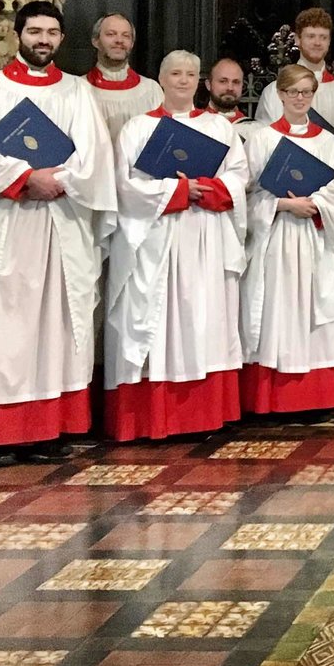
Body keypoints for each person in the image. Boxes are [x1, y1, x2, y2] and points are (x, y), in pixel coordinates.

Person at [0, 0, 115, 463]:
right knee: (0, 323)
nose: (43, 40)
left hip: (60, 222)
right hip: (4, 225)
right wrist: (23, 178)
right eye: (35, 31)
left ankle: (47, 430)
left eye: (52, 32)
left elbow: (93, 157)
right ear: (18, 34)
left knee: (55, 322)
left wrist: (58, 181)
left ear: (61, 39)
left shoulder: (77, 92)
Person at [105, 50, 247, 441]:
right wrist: (179, 189)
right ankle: (155, 417)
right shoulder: (137, 128)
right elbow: (125, 185)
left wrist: (210, 189)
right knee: (159, 318)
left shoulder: (220, 128)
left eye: (190, 74)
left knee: (205, 320)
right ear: (161, 80)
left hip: (206, 236)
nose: (183, 81)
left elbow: (239, 176)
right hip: (158, 240)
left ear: (200, 81)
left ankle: (202, 415)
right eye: (175, 74)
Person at [240, 63, 334, 414]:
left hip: (315, 236)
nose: (300, 98)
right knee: (279, 310)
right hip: (277, 239)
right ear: (280, 95)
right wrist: (284, 203)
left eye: (307, 92)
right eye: (293, 92)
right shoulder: (262, 138)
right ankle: (273, 399)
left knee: (315, 311)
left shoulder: (327, 141)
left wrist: (317, 203)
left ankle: (317, 397)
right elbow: (247, 195)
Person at [253, 8, 334, 137]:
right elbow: (265, 140)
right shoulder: (274, 92)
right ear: (298, 40)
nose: (317, 43)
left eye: (323, 37)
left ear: (329, 41)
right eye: (311, 36)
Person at [84, 13, 164, 143]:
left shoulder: (150, 90)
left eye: (125, 36)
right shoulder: (80, 89)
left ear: (132, 43)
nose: (119, 40)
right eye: (111, 34)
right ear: (95, 41)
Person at [204, 56, 249, 123]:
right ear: (208, 85)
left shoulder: (251, 128)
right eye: (223, 81)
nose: (230, 88)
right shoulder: (195, 126)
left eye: (236, 82)